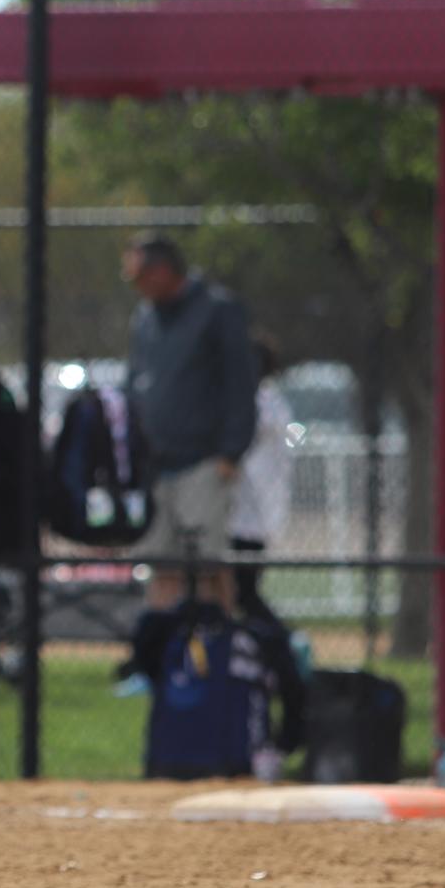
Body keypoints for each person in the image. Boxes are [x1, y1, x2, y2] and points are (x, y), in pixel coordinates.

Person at [123, 233, 257, 609]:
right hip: (155, 464)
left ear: (162, 271)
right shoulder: (145, 318)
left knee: (208, 564)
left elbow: (241, 384)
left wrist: (231, 452)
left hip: (203, 460)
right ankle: (163, 656)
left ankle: (219, 652)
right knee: (161, 565)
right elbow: (135, 382)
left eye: (140, 277)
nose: (136, 288)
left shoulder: (217, 309)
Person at [228, 334, 292, 628]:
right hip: (246, 515)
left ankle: (281, 645)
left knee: (244, 594)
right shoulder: (266, 401)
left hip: (249, 518)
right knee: (237, 594)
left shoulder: (262, 403)